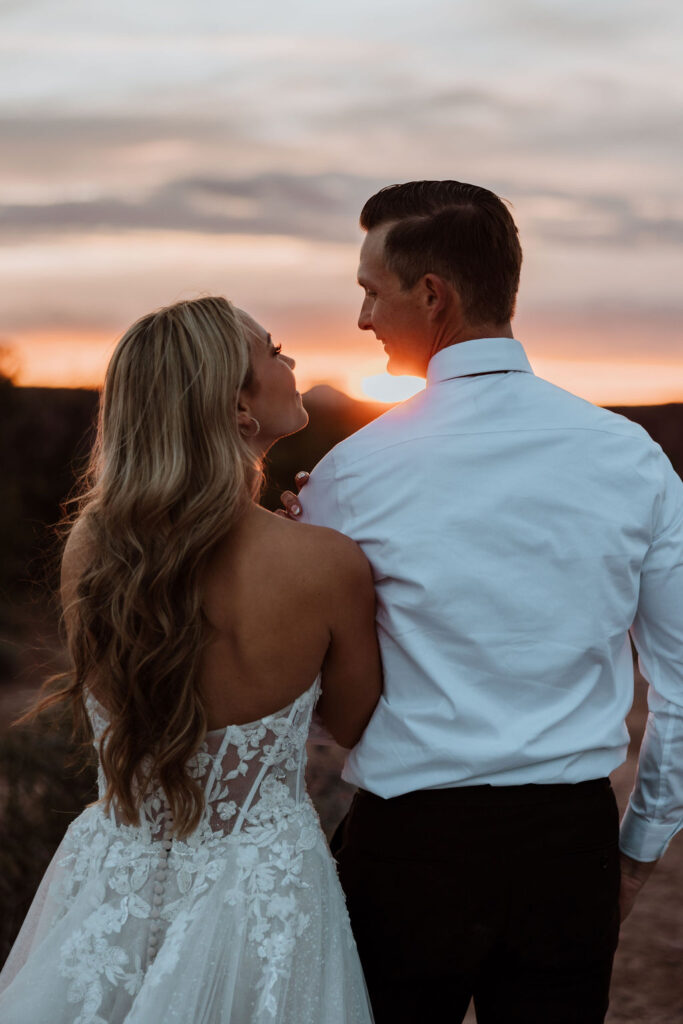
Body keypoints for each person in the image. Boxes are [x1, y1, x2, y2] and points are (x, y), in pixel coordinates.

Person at [281, 180, 683, 1024]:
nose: (361, 318)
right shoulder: (631, 458)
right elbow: (679, 685)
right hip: (567, 849)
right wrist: (637, 851)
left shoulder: (348, 476)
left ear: (434, 295)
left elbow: (306, 678)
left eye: (369, 290)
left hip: (408, 850)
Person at [0, 296, 381, 1024]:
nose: (291, 361)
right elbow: (352, 721)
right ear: (238, 407)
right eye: (273, 350)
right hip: (262, 888)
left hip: (112, 877)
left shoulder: (93, 549)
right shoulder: (327, 563)